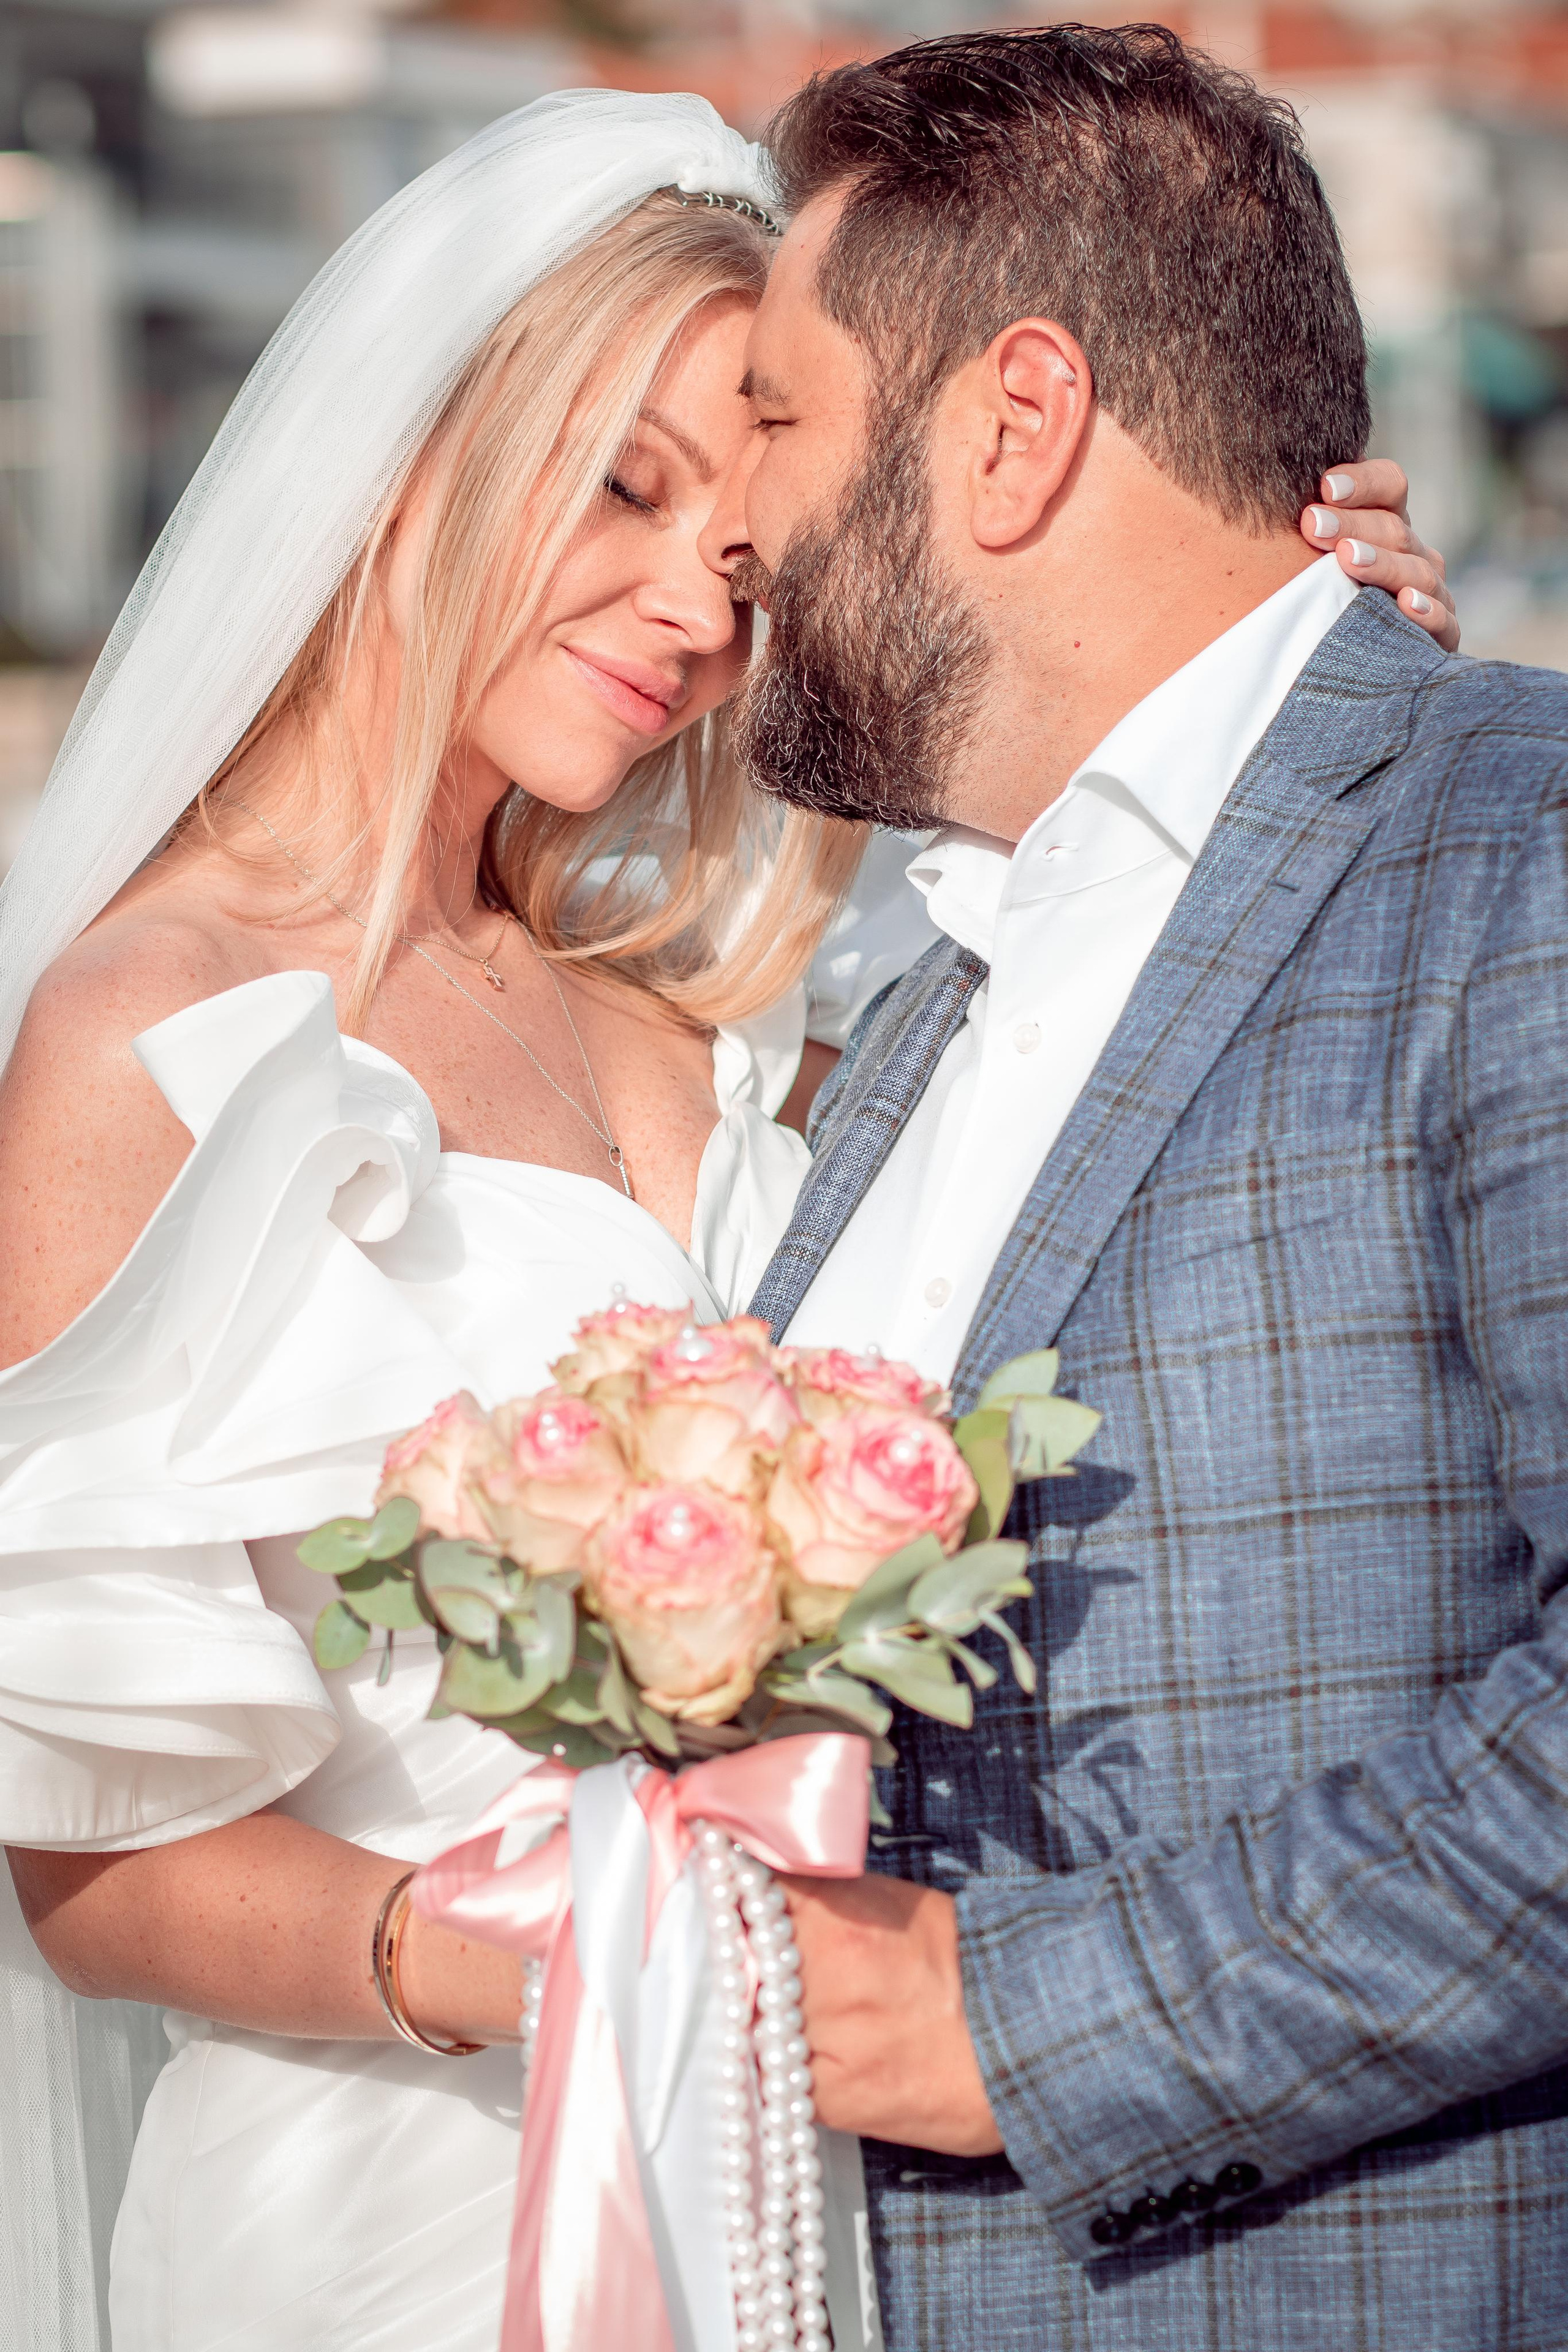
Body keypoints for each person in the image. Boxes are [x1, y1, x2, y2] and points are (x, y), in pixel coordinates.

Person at [0, 77, 1448, 2352]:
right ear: (418, 460)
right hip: (394, 2196)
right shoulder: (148, 1038)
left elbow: (1134, 1089)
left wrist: (1300, 677)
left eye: (744, 547)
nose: (694, 606)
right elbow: (89, 1856)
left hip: (797, 2159)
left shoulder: (723, 1017)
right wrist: (497, 1962)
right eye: (625, 489)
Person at [716, 26, 1568, 2352]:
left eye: (777, 418)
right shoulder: (933, 981)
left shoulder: (1522, 858)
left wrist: (1019, 2027)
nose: (733, 521)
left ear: (1013, 423)